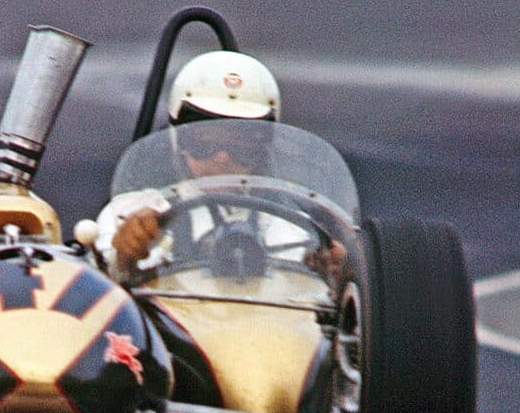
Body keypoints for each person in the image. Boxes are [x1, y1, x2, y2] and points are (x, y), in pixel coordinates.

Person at [94, 50, 345, 282]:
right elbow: (102, 292)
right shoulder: (131, 214)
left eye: (242, 146)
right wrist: (125, 256)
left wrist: (333, 276)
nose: (222, 158)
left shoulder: (296, 231)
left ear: (264, 148)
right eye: (205, 142)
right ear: (178, 140)